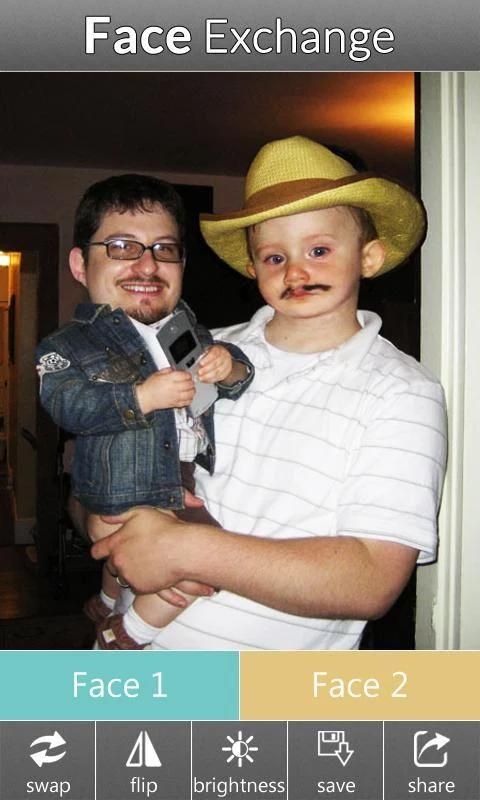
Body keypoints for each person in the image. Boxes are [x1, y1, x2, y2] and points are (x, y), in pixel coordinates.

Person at [92, 136, 447, 650]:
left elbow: (371, 581)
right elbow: (112, 455)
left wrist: (183, 549)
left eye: (319, 250)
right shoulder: (200, 351)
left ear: (369, 257)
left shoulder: (404, 392)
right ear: (252, 268)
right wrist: (105, 516)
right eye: (274, 256)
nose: (295, 271)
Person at [36, 173, 253, 649]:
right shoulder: (68, 345)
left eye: (164, 249)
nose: (148, 264)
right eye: (121, 246)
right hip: (125, 485)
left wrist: (231, 366)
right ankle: (125, 634)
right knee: (203, 562)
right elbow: (65, 405)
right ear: (80, 264)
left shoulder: (189, 330)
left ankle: (107, 601)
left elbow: (235, 382)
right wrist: (140, 398)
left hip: (181, 480)